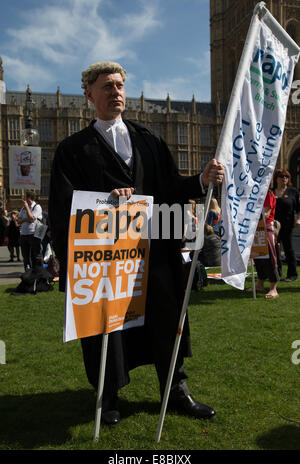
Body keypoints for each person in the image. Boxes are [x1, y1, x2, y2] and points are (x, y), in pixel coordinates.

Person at [48, 61, 224, 426]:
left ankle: (175, 389)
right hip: (107, 257)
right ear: (89, 95)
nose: (116, 92)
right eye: (107, 86)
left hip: (154, 247)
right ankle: (108, 395)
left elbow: (172, 187)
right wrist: (105, 201)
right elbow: (65, 203)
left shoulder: (148, 139)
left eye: (120, 86)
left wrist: (200, 181)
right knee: (107, 325)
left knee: (165, 316)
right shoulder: (73, 149)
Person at [252, 189, 280, 299]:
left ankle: (273, 288)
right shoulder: (256, 192)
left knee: (269, 258)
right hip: (256, 227)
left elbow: (266, 214)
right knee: (258, 257)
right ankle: (260, 284)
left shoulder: (267, 193)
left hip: (266, 226)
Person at [273, 169, 300, 282]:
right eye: (281, 176)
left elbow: (299, 208)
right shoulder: (271, 192)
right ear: (276, 179)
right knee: (274, 250)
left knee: (289, 249)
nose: (284, 178)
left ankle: (292, 274)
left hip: (287, 225)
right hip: (273, 226)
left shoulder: (293, 192)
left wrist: (298, 219)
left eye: (286, 177)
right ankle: (276, 273)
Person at [18, 190, 43, 271]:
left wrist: (27, 209)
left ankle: (39, 272)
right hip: (23, 234)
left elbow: (31, 218)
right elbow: (18, 221)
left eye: (25, 198)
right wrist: (26, 219)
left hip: (34, 234)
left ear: (29, 198)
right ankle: (28, 273)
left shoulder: (37, 207)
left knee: (36, 255)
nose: (24, 200)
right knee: (26, 256)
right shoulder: (23, 208)